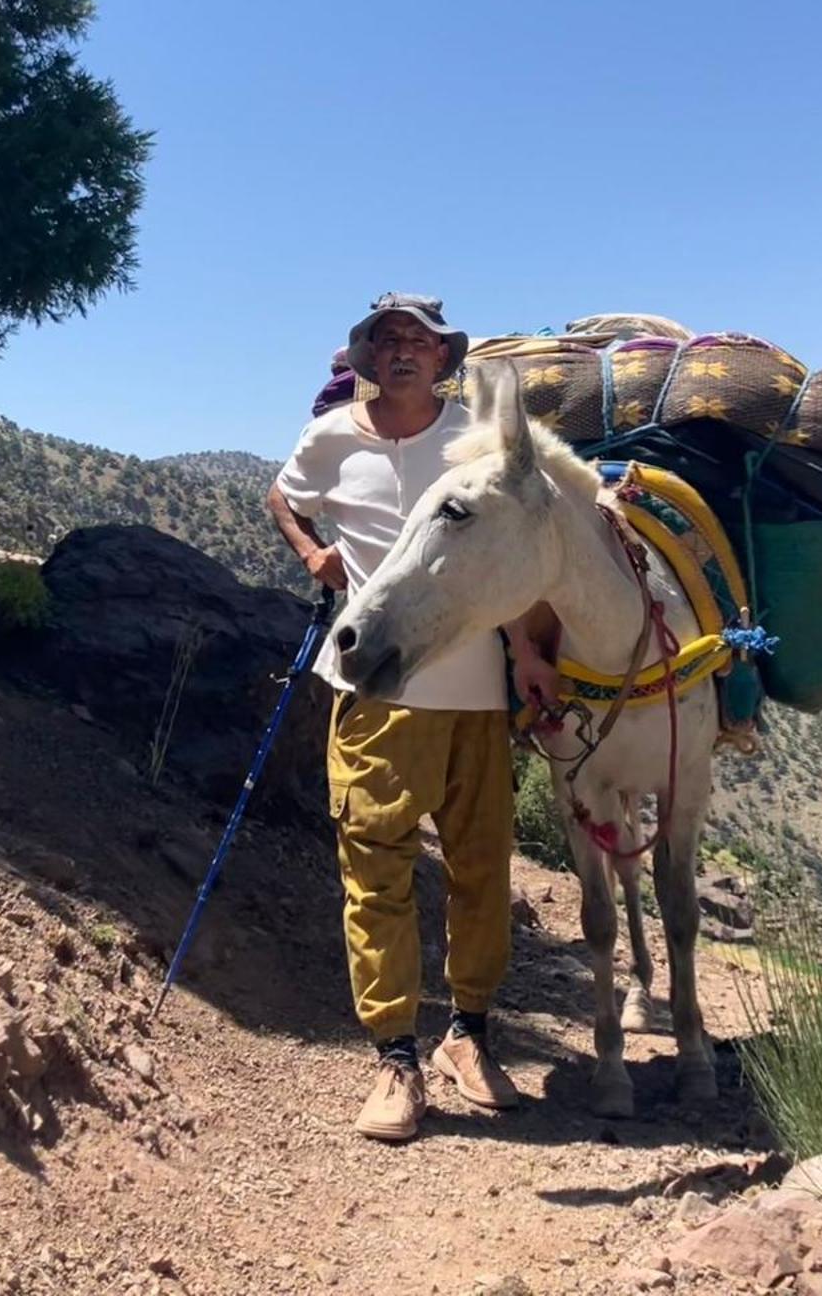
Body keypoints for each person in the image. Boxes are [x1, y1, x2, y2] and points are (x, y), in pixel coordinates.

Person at [268, 292, 553, 1142]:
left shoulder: (474, 441)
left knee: (480, 873)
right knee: (377, 877)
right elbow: (283, 496)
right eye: (385, 339)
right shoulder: (331, 439)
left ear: (442, 358)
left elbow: (498, 552)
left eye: (417, 341)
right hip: (373, 695)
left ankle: (468, 1036)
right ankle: (396, 1057)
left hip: (477, 697)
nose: (400, 351)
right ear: (363, 355)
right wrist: (312, 552)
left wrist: (529, 651)